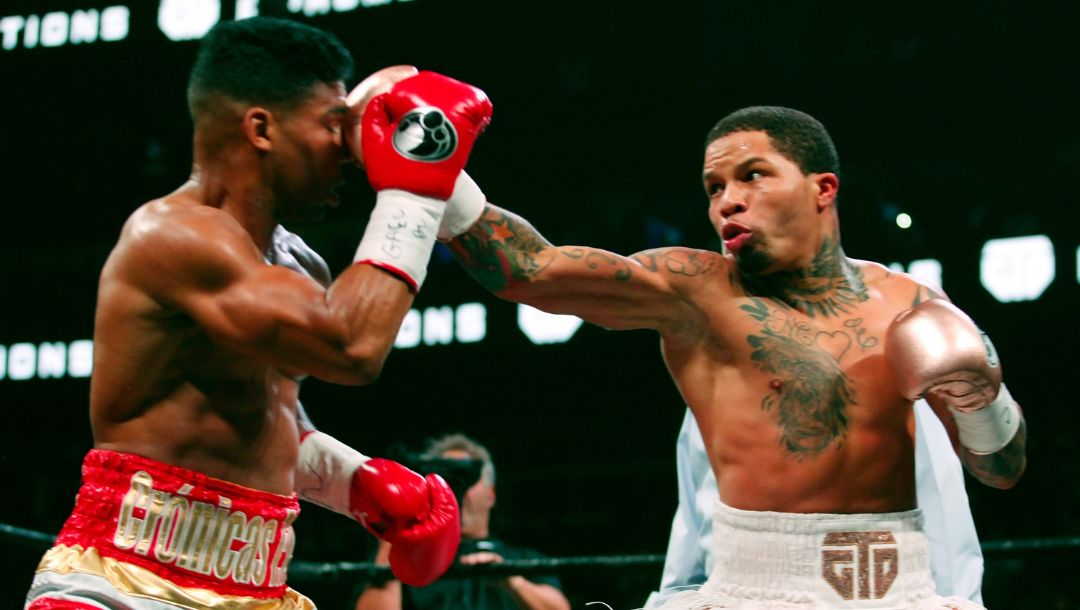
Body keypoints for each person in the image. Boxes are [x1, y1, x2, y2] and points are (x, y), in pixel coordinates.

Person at [438, 104, 1027, 608]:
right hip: (756, 589)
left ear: (823, 188)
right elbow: (530, 270)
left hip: (899, 590)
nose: (728, 202)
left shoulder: (912, 304)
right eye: (715, 188)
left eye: (753, 176)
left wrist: (980, 399)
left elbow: (1002, 470)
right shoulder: (695, 291)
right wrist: (437, 168)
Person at [24, 19, 493, 610]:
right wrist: (417, 182)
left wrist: (358, 483)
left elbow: (267, 418)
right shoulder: (172, 236)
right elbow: (352, 347)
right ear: (261, 128)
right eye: (331, 125)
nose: (347, 149)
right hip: (123, 582)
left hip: (256, 585)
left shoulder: (299, 264)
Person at [644, 401, 984, 608]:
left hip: (880, 592)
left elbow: (943, 522)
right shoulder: (717, 357)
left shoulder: (894, 343)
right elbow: (696, 527)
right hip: (737, 590)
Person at [355, 434, 571, 610]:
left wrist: (513, 581)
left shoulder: (524, 560)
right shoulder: (408, 561)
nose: (455, 489)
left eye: (466, 477)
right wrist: (393, 536)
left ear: (491, 494)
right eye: (448, 478)